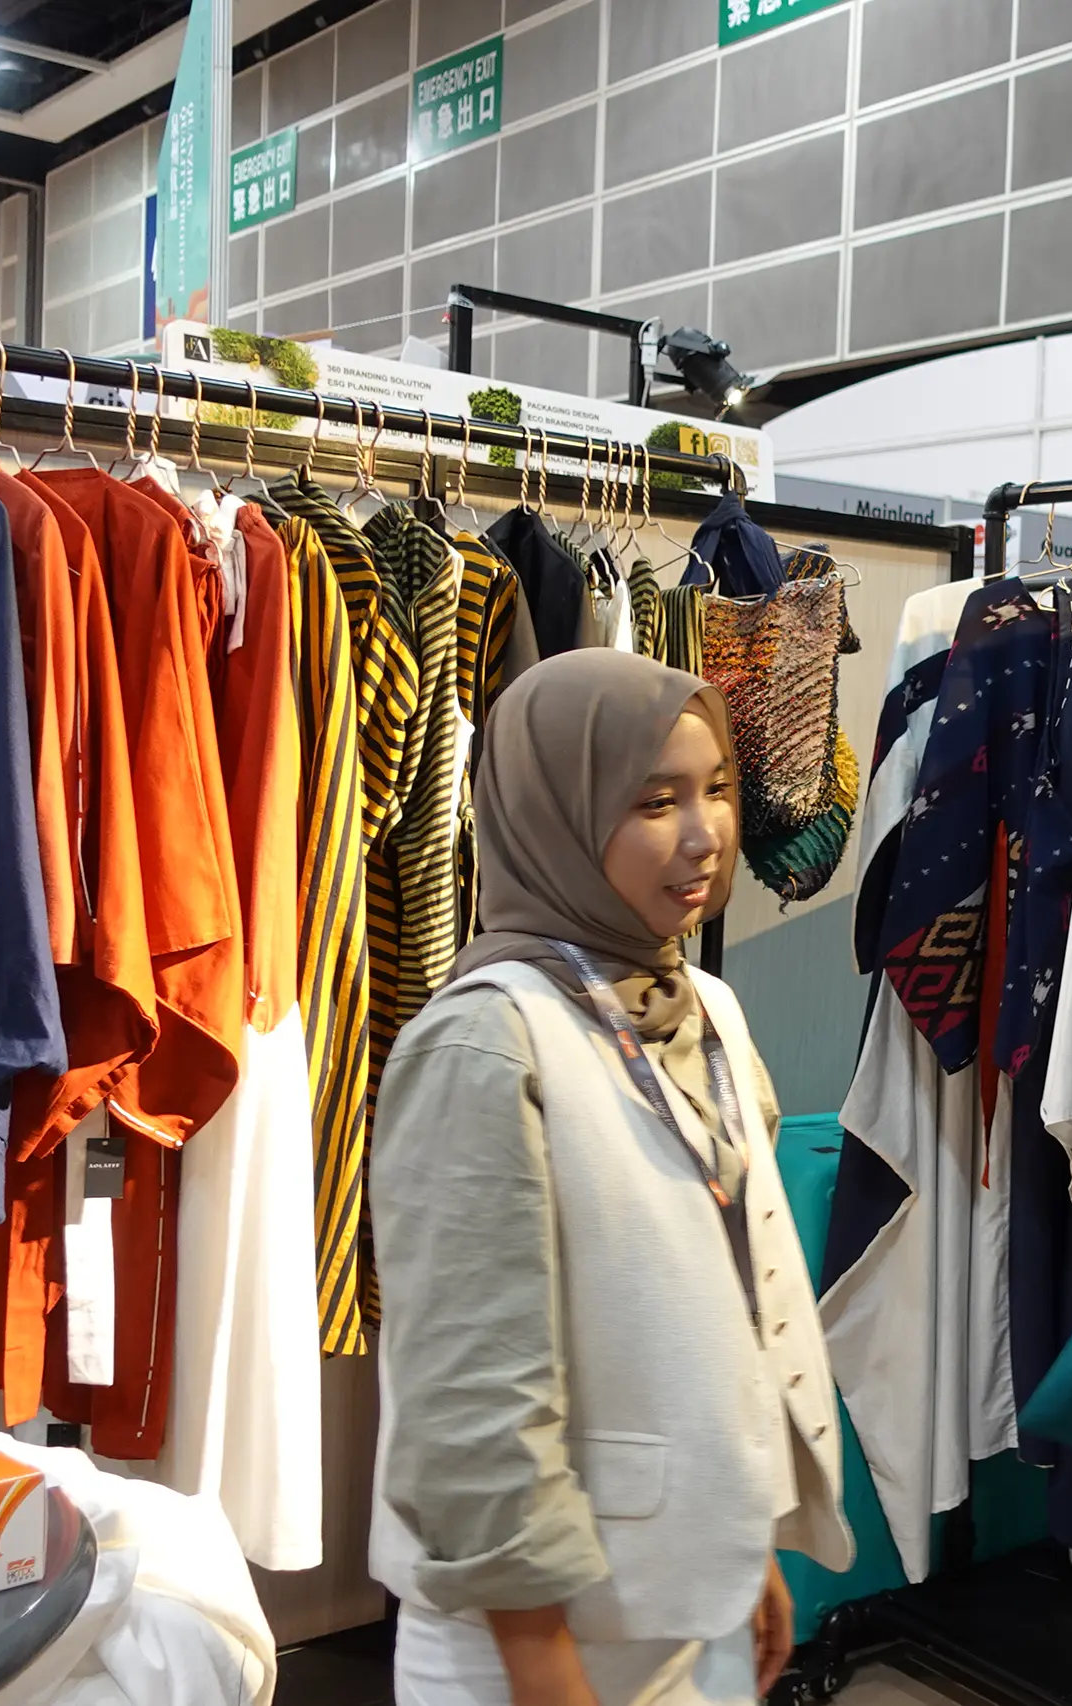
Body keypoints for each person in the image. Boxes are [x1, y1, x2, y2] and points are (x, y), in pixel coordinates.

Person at [368, 650, 851, 1706]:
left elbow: (723, 1298)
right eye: (652, 800)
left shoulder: (708, 1007)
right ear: (554, 814)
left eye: (717, 788)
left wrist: (743, 1543)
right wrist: (546, 1674)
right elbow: (473, 1401)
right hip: (538, 1646)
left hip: (689, 1605)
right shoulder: (487, 1044)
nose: (705, 833)